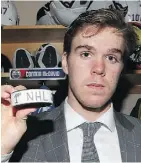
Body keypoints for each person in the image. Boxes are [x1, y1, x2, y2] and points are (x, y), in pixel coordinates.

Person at [1, 8, 141, 162]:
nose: (99, 68)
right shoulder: (24, 136)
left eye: (111, 58)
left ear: (121, 69)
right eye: (86, 54)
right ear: (65, 63)